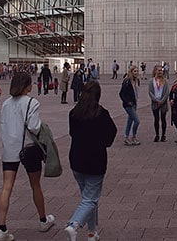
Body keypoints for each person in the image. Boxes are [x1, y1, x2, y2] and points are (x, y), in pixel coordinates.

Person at [0, 72, 56, 240]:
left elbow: (3, 126)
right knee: (35, 185)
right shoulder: (32, 102)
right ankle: (43, 220)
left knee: (7, 186)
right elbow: (34, 127)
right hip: (28, 148)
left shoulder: (6, 103)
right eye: (30, 83)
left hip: (10, 148)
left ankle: (2, 228)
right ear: (26, 85)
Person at [64, 81, 116, 241]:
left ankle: (92, 232)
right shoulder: (101, 113)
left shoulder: (74, 113)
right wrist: (102, 142)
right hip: (95, 161)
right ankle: (74, 224)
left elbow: (72, 133)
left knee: (87, 198)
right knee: (90, 199)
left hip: (76, 160)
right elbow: (111, 133)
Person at [120, 65, 141, 146]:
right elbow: (121, 93)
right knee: (137, 121)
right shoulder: (127, 81)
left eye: (137, 71)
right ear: (131, 72)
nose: (136, 73)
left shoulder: (137, 81)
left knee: (130, 120)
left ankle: (126, 137)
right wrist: (127, 101)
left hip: (134, 103)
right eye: (134, 71)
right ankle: (134, 137)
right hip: (128, 104)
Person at [148, 65, 170, 142]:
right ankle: (157, 135)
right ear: (155, 71)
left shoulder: (165, 81)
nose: (160, 72)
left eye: (161, 70)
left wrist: (162, 101)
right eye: (159, 70)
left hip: (163, 103)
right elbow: (150, 92)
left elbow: (167, 92)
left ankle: (163, 135)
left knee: (163, 119)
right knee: (156, 119)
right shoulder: (151, 81)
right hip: (155, 102)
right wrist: (156, 100)